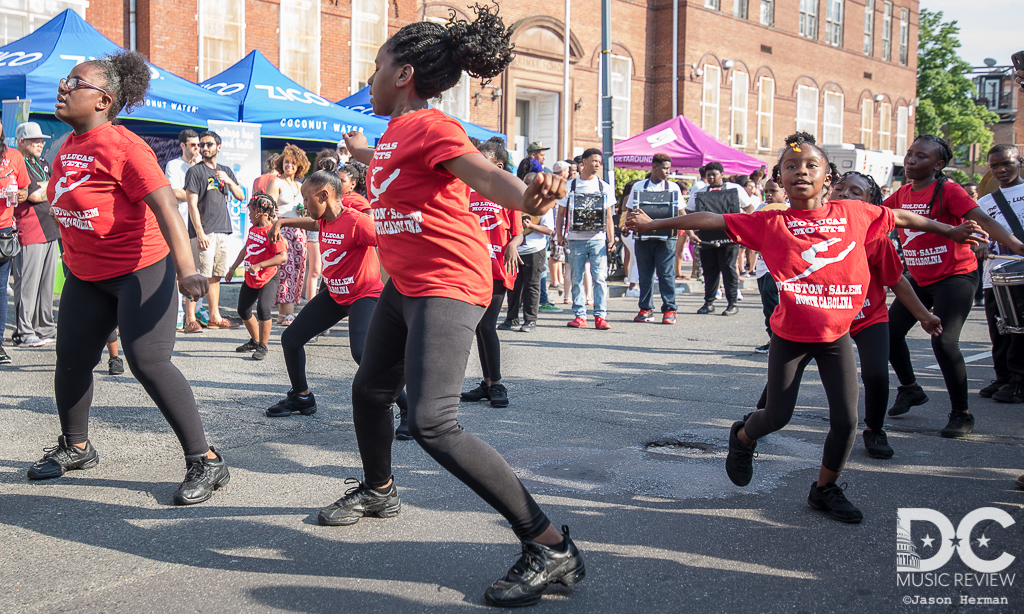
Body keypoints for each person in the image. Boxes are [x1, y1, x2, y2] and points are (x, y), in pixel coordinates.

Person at [331, 7, 585, 606]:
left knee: (432, 422)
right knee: (370, 390)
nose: (368, 78)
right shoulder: (395, 133)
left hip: (447, 283)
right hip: (407, 283)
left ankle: (549, 544)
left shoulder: (433, 127)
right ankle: (379, 490)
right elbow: (392, 167)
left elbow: (486, 177)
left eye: (376, 67)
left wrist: (531, 197)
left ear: (404, 74)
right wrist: (362, 153)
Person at [627, 131, 984, 523]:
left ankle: (824, 489)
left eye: (811, 165)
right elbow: (713, 219)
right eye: (791, 166)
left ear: (827, 177)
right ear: (779, 179)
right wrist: (654, 223)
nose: (801, 171)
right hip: (791, 337)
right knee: (776, 416)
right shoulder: (771, 221)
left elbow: (901, 217)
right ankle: (742, 437)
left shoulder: (855, 213)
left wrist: (950, 231)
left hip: (836, 337)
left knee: (847, 422)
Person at [30, 50, 228, 504]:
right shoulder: (69, 145)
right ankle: (77, 447)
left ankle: (207, 459)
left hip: (139, 270)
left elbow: (166, 208)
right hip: (86, 275)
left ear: (103, 101)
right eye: (64, 80)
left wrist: (187, 270)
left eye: (74, 82)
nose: (63, 87)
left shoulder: (125, 146)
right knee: (72, 359)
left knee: (148, 361)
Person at [885, 135, 1024, 438]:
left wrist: (1015, 244)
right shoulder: (901, 194)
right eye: (910, 154)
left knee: (944, 342)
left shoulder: (949, 190)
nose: (911, 160)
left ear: (938, 164)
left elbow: (984, 220)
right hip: (920, 278)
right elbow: (873, 219)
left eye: (921, 156)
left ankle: (962, 413)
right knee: (889, 333)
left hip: (955, 276)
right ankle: (910, 388)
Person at [832, 171, 944, 459]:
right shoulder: (813, 229)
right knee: (789, 366)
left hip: (868, 316)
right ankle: (763, 414)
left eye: (856, 192)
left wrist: (923, 316)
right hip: (827, 317)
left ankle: (874, 430)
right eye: (840, 188)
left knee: (876, 374)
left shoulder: (876, 238)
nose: (845, 194)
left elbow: (897, 281)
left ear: (872, 205)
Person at [463, 138, 522, 406]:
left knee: (486, 325)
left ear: (498, 166)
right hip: (473, 266)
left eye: (481, 159)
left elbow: (518, 232)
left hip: (498, 267)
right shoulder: (468, 191)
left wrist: (513, 245)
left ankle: (497, 384)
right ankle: (487, 383)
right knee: (478, 326)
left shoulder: (507, 193)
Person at [975, 144, 1024, 402]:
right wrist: (980, 244)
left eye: (1007, 163)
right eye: (995, 166)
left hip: (1021, 273)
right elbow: (975, 233)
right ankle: (1003, 377)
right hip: (994, 275)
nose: (1001, 170)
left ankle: (1019, 381)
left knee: (1019, 330)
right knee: (999, 330)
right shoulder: (984, 202)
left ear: (1019, 162)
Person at [183, 130, 244, 333]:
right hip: (204, 232)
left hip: (222, 229)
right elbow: (192, 204)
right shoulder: (195, 171)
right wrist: (199, 233)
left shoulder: (225, 171)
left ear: (218, 147)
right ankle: (190, 319)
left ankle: (214, 317)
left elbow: (240, 195)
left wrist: (229, 180)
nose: (204, 148)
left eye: (209, 144)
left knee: (216, 276)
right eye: (202, 144)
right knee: (198, 276)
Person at [555, 148, 615, 329]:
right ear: (584, 162)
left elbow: (609, 216)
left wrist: (611, 239)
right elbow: (560, 213)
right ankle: (580, 315)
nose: (597, 164)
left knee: (600, 278)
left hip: (598, 239)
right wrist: (559, 234)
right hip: (575, 239)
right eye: (594, 161)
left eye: (599, 162)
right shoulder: (570, 186)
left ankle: (600, 316)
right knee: (576, 278)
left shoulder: (604, 187)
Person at [11, 122, 58, 348]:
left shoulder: (43, 162)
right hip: (29, 229)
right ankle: (24, 331)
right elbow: (34, 196)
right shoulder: (18, 163)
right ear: (22, 142)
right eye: (35, 141)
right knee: (27, 285)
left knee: (46, 285)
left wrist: (45, 187)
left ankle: (44, 327)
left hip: (49, 228)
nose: (40, 144)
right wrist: (48, 187)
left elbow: (51, 189)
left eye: (41, 141)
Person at [687, 161, 756, 316]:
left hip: (729, 238)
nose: (711, 178)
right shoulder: (700, 192)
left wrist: (745, 226)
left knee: (729, 269)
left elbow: (749, 208)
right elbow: (688, 212)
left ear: (722, 175)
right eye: (708, 175)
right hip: (706, 238)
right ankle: (709, 303)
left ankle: (732, 303)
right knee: (709, 271)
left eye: (714, 174)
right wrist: (691, 233)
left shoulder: (734, 189)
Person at [226, 193, 287, 361]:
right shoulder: (253, 229)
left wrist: (260, 265)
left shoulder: (272, 232)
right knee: (243, 310)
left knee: (263, 309)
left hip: (268, 277)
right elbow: (246, 248)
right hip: (251, 276)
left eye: (251, 211)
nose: (249, 215)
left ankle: (263, 346)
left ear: (260, 212)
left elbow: (282, 257)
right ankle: (255, 340)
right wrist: (233, 268)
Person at [626, 153, 683, 325]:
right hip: (643, 236)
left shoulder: (673, 187)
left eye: (669, 168)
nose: (668, 172)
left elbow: (681, 212)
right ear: (654, 167)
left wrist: (691, 232)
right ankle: (646, 308)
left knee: (666, 274)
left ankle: (669, 309)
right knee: (645, 273)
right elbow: (630, 210)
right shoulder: (639, 186)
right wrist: (626, 226)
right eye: (665, 168)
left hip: (667, 237)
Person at [498, 171, 554, 332]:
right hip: (514, 250)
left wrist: (531, 226)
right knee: (513, 287)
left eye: (530, 184)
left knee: (532, 286)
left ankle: (530, 320)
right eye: (525, 183)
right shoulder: (514, 201)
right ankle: (511, 318)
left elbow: (549, 230)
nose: (526, 187)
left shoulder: (543, 205)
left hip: (534, 250)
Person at [265, 144, 310, 325]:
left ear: (299, 165)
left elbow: (307, 211)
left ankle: (283, 315)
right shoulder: (276, 182)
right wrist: (275, 228)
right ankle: (288, 314)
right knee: (285, 271)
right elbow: (268, 208)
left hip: (299, 229)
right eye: (286, 162)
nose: (289, 165)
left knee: (298, 271)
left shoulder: (301, 185)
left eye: (292, 162)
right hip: (282, 229)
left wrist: (303, 211)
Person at [0, 123, 30, 365]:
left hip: (4, 232)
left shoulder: (14, 156)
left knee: (1, 290)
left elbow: (24, 189)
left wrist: (21, 194)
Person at [165, 129, 200, 330]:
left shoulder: (201, 165)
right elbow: (174, 192)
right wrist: (196, 193)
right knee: (180, 269)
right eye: (193, 145)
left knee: (198, 269)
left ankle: (195, 313)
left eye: (198, 145)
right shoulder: (174, 165)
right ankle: (177, 312)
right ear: (183, 145)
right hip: (180, 223)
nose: (197, 148)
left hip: (198, 225)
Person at [752, 179, 788, 353]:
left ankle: (780, 340)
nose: (769, 194)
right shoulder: (760, 209)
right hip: (762, 263)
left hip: (780, 265)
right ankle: (773, 338)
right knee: (767, 304)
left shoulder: (789, 211)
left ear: (785, 193)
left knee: (772, 297)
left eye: (773, 191)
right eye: (766, 191)